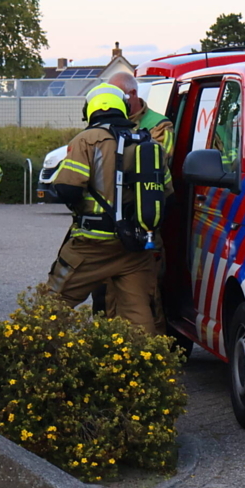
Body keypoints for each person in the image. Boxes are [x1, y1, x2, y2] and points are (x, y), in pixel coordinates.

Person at [45, 84, 170, 336]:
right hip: (136, 247)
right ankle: (146, 359)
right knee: (139, 316)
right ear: (123, 108)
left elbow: (68, 189)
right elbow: (167, 194)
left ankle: (35, 353)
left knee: (52, 305)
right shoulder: (147, 142)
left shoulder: (86, 140)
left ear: (89, 110)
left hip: (91, 245)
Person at [96, 73, 175, 331]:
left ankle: (152, 348)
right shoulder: (104, 122)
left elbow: (157, 160)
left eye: (115, 95)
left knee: (146, 294)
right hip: (111, 224)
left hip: (143, 220)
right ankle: (110, 343)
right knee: (107, 292)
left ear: (132, 95)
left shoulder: (159, 125)